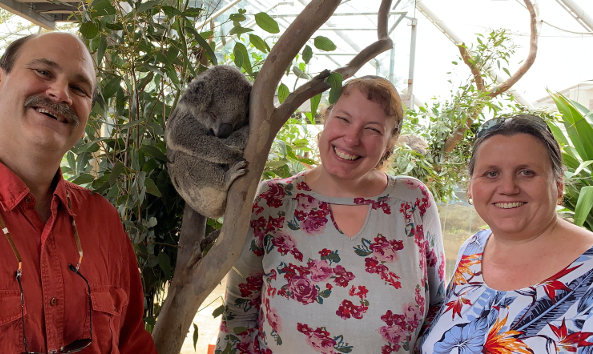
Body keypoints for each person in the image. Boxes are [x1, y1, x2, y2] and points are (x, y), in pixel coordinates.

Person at [0, 33, 158, 354]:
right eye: (44, 72)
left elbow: (132, 343)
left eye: (79, 88)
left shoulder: (103, 221)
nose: (61, 93)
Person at [216, 76, 446, 354]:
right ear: (326, 119)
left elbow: (438, 308)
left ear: (389, 142)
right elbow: (239, 315)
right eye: (344, 119)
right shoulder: (273, 201)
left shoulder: (412, 202)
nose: (352, 138)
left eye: (372, 129)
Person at [417, 114, 593, 354]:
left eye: (526, 172)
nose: (508, 188)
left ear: (559, 184)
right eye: (491, 173)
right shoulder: (473, 249)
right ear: (470, 188)